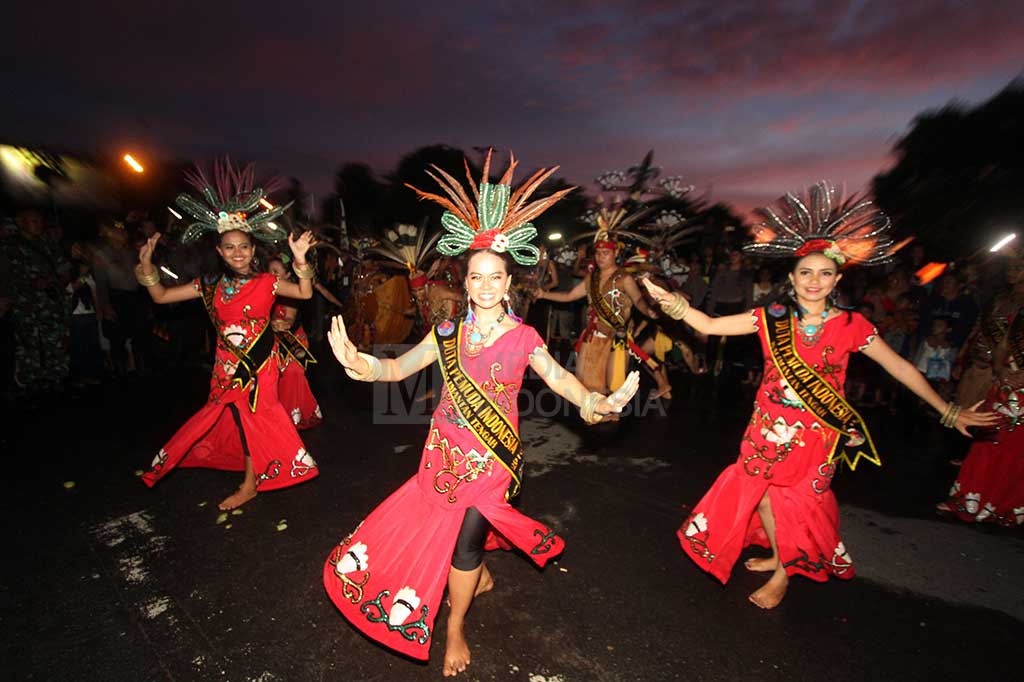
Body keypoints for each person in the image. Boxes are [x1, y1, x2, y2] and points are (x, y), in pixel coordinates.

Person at [322, 151, 639, 677]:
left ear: (508, 283)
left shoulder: (524, 337)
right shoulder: (446, 332)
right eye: (476, 277)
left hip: (491, 460)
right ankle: (478, 576)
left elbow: (559, 379)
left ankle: (455, 627)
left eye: (496, 277)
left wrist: (593, 400)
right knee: (445, 530)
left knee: (464, 546)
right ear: (464, 282)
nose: (485, 285)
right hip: (442, 455)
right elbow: (400, 371)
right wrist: (365, 367)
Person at [642, 182, 997, 609]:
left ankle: (783, 574)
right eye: (806, 273)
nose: (814, 281)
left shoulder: (852, 326)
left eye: (824, 273)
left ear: (837, 278)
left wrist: (947, 409)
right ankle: (779, 556)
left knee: (796, 502)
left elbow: (900, 367)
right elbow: (711, 326)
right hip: (767, 426)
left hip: (817, 432)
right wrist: (675, 306)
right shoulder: (771, 317)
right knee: (766, 496)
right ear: (792, 278)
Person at [137, 160, 320, 510]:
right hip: (224, 367)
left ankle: (250, 484)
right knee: (228, 418)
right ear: (220, 252)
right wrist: (146, 267)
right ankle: (247, 468)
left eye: (245, 247)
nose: (239, 253)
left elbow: (305, 293)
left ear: (254, 250)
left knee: (257, 419)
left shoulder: (268, 283)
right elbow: (160, 296)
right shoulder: (209, 286)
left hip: (259, 366)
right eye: (231, 248)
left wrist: (300, 260)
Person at [939, 250, 1024, 525]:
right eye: (1010, 267)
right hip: (1006, 383)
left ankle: (1006, 506)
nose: (1012, 272)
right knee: (989, 439)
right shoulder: (1003, 300)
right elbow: (1001, 341)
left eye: (1018, 267)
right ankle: (971, 500)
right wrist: (1000, 369)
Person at [537, 236, 658, 396]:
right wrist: (543, 294)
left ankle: (611, 415)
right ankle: (592, 414)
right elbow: (569, 295)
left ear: (615, 253)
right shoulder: (591, 278)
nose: (600, 256)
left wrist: (648, 311)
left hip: (617, 336)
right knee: (584, 382)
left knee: (614, 384)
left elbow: (638, 300)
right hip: (592, 334)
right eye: (598, 253)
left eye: (606, 253)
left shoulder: (625, 278)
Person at [0, 209, 71, 397]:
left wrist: (60, 280)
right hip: (26, 304)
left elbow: (64, 266)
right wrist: (29, 284)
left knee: (55, 339)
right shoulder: (9, 246)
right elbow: (6, 276)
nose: (38, 225)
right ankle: (31, 381)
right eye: (33, 221)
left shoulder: (47, 243)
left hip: (51, 303)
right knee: (28, 342)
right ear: (21, 222)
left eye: (40, 221)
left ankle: (56, 377)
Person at [268, 257, 322, 429]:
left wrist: (278, 322)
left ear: (288, 274)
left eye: (276, 271)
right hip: (272, 340)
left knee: (293, 372)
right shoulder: (264, 290)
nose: (271, 275)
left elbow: (289, 320)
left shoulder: (292, 292)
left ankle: (294, 413)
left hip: (293, 340)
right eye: (269, 271)